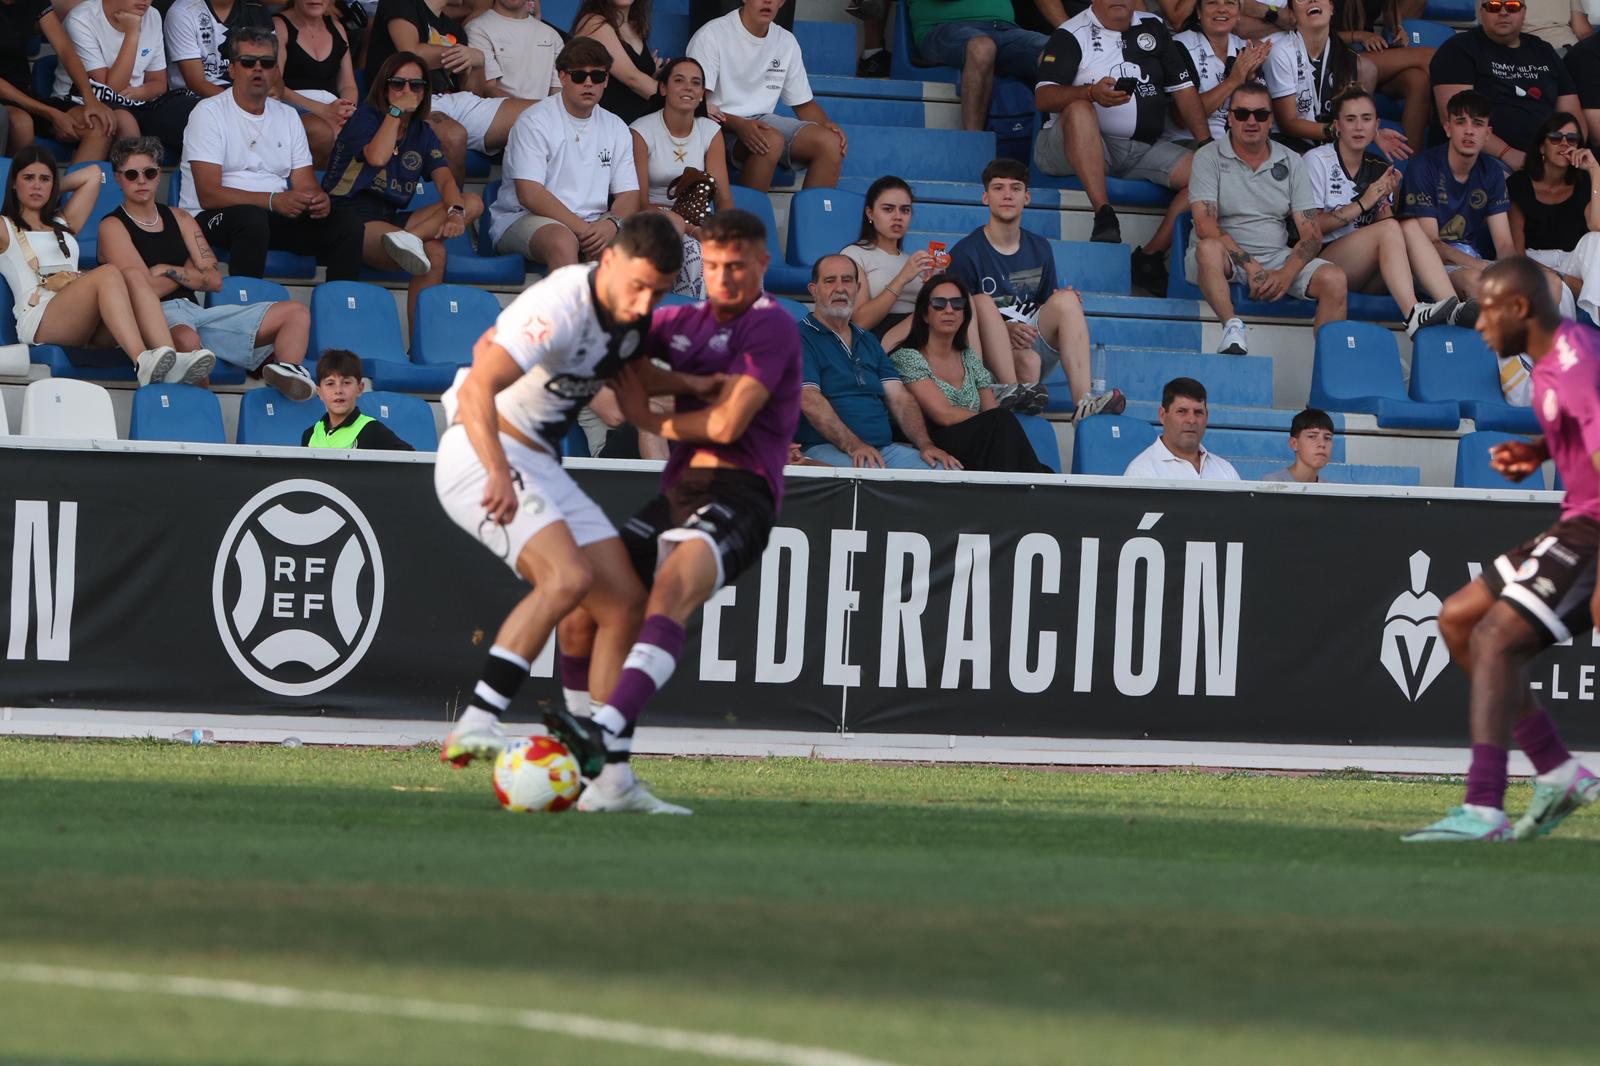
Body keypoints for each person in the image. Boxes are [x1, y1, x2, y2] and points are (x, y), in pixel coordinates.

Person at [541, 208, 804, 815]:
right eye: (711, 267)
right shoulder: (682, 319)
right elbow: (618, 346)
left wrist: (651, 414)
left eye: (737, 267)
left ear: (763, 264)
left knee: (666, 595)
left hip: (742, 495)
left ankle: (598, 735)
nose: (724, 279)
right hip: (678, 493)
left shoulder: (772, 329)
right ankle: (605, 780)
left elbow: (728, 422)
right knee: (587, 605)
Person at [433, 213, 696, 809]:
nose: (644, 301)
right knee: (569, 578)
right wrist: (498, 471)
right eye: (637, 285)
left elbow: (620, 407)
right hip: (481, 451)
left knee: (623, 603)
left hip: (540, 464)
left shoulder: (633, 322)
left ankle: (607, 781)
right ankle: (477, 720)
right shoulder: (560, 301)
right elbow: (476, 388)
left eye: (657, 290)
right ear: (608, 264)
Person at [1406, 256, 1600, 843]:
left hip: (1591, 530)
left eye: (1487, 309)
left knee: (1493, 638)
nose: (1478, 321)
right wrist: (1539, 454)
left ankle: (1484, 807)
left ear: (1520, 309)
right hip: (1575, 520)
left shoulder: (1570, 364)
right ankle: (1560, 771)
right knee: (1459, 620)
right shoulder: (1551, 356)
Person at [99, 136, 315, 399]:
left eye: (150, 172)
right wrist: (190, 270)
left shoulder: (180, 217)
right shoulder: (112, 226)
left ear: (158, 176)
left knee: (295, 312)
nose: (141, 180)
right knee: (188, 341)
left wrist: (167, 268)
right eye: (132, 174)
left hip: (196, 313)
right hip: (154, 317)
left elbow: (214, 280)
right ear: (118, 179)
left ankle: (286, 372)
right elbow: (147, 288)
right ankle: (202, 412)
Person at [1032, 0, 1209, 297]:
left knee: (1207, 173)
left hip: (1141, 149)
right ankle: (1103, 216)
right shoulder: (1071, 32)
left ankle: (1149, 257)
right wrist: (1090, 93)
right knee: (1079, 108)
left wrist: (1207, 146)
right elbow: (1044, 97)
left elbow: (1184, 89)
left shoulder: (1152, 26)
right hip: (1071, 147)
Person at [0, 145, 211, 386]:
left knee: (132, 275)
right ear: (14, 183)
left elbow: (92, 176)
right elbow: (91, 175)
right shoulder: (4, 226)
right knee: (109, 272)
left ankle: (170, 359)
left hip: (84, 320)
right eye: (28, 178)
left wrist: (53, 188)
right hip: (41, 320)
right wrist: (46, 186)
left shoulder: (62, 222)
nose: (37, 185)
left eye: (44, 179)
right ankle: (142, 360)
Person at [181, 27, 365, 282]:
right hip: (211, 218)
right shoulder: (208, 112)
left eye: (267, 63)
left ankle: (342, 306)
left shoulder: (288, 116)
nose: (258, 68)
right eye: (248, 62)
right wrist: (271, 201)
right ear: (232, 69)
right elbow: (208, 194)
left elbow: (305, 184)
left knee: (347, 223)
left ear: (276, 72)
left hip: (272, 214)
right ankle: (247, 307)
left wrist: (316, 200)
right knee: (252, 219)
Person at [949, 158, 1125, 420]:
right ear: (985, 197)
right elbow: (957, 319)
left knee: (1066, 301)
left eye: (1015, 188)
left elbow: (1044, 304)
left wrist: (1063, 301)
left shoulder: (1040, 247)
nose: (1007, 195)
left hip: (1029, 342)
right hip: (986, 355)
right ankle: (1008, 410)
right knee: (1026, 361)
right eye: (998, 188)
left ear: (1027, 198)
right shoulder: (966, 252)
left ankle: (1083, 403)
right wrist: (1002, 330)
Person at [322, 51, 484, 324]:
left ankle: (420, 346)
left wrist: (456, 212)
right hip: (349, 217)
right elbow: (377, 157)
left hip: (391, 220)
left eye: (415, 85)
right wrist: (396, 111)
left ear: (424, 92)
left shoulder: (423, 131)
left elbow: (445, 180)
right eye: (398, 84)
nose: (407, 90)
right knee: (431, 247)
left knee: (469, 205)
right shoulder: (366, 117)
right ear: (384, 88)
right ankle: (411, 239)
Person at [1187, 81, 1346, 355]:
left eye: (1260, 114)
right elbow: (1205, 225)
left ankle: (1330, 367)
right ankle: (1232, 329)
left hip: (1277, 257)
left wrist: (1286, 274)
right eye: (1242, 114)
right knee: (1208, 248)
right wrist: (1251, 267)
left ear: (1271, 119)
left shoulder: (1292, 160)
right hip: (1225, 257)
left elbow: (1311, 234)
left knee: (1334, 278)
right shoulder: (1207, 156)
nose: (1251, 121)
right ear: (1229, 117)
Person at [1304, 85, 1468, 336]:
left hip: (1367, 269)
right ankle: (1413, 313)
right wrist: (1364, 202)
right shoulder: (1317, 160)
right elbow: (1312, 228)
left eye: (1366, 119)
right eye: (1350, 119)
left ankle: (1453, 306)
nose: (1359, 127)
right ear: (1337, 126)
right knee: (1392, 228)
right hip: (1326, 262)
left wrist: (1384, 202)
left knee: (1408, 225)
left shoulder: (1380, 166)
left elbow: (1388, 229)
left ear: (1376, 125)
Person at [798, 254, 961, 470]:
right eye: (830, 281)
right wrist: (854, 446)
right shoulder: (798, 336)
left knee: (943, 471)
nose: (840, 288)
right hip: (825, 448)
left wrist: (925, 445)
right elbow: (808, 399)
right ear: (813, 290)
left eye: (847, 280)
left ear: (857, 288)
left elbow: (900, 398)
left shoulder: (868, 340)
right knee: (872, 477)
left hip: (881, 449)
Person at [491, 38, 641, 267]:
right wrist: (585, 231)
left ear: (606, 80)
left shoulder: (616, 126)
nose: (589, 83)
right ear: (563, 77)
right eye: (579, 76)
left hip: (595, 220)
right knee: (563, 241)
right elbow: (529, 194)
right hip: (523, 218)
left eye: (597, 76)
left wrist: (611, 224)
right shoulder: (534, 121)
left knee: (643, 240)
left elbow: (629, 195)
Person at [888, 273, 1052, 473]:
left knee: (1036, 463)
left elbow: (990, 410)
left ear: (964, 313)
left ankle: (1028, 485)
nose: (949, 310)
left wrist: (989, 419)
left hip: (973, 440)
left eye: (957, 304)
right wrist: (986, 419)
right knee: (1002, 422)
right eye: (939, 303)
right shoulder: (908, 357)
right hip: (934, 441)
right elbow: (943, 415)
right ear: (924, 314)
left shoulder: (969, 358)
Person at [363, 0, 535, 185]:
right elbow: (410, 53)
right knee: (454, 136)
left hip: (452, 101)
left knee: (542, 112)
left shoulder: (455, 29)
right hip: (405, 98)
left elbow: (472, 95)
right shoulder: (401, 4)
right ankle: (455, 210)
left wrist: (478, 63)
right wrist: (459, 53)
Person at [687, 0, 847, 192]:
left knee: (831, 144)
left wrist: (827, 125)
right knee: (769, 140)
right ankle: (746, 221)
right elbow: (695, 103)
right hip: (716, 123)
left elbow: (804, 104)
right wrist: (738, 124)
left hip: (763, 122)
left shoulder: (786, 41)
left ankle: (816, 220)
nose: (768, 1)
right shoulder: (712, 34)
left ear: (782, 2)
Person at [1431, 0, 1580, 170]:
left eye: (1512, 6)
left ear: (1524, 12)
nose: (1503, 12)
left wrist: (1568, 152)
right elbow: (1455, 119)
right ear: (1482, 12)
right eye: (1494, 6)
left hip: (1548, 158)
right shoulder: (1458, 49)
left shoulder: (1543, 49)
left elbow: (1572, 115)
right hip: (1487, 159)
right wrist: (1509, 154)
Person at [629, 55, 733, 298]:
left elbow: (724, 197)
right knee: (695, 254)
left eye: (696, 83)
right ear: (663, 88)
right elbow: (639, 202)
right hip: (654, 219)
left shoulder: (710, 130)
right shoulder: (640, 130)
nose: (688, 88)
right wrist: (692, 230)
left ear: (701, 94)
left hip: (698, 217)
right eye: (679, 80)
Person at [1400, 89, 1515, 301]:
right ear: (1447, 128)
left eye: (1477, 124)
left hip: (1471, 261)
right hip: (1425, 266)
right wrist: (1483, 266)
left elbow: (1505, 244)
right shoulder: (1424, 166)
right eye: (1461, 122)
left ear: (1488, 134)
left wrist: (1508, 272)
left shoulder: (1491, 170)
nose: (1469, 131)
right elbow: (1432, 244)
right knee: (1475, 281)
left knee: (1546, 284)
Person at [1264, 0, 1410, 158]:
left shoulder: (1348, 59)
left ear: (1331, 8)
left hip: (1332, 150)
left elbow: (1354, 117)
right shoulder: (1281, 54)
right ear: (1292, 15)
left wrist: (1373, 134)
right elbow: (1288, 124)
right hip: (1290, 149)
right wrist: (1338, 131)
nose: (1312, 0)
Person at [58, 0, 201, 151]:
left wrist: (142, 92)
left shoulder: (152, 15)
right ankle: (135, 172)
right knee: (125, 122)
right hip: (87, 101)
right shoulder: (81, 19)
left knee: (200, 112)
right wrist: (132, 33)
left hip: (140, 102)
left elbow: (159, 82)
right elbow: (110, 89)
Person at [0, 0, 120, 164]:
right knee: (21, 124)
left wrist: (90, 99)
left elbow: (64, 48)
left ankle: (77, 189)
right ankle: (13, 187)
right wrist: (50, 113)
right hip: (7, 98)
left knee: (99, 125)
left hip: (24, 93)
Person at [904, 0, 1050, 132]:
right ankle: (973, 141)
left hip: (1004, 28)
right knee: (981, 49)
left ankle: (1045, 149)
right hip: (942, 28)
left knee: (1056, 52)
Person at [841, 175, 931, 351]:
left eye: (905, 210)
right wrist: (902, 278)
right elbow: (860, 322)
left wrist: (934, 287)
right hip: (881, 338)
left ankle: (977, 375)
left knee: (965, 300)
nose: (898, 217)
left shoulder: (912, 261)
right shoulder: (853, 255)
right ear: (870, 213)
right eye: (888, 209)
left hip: (920, 335)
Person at [1333, 0, 1434, 154]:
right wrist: (1360, 36)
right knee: (1429, 56)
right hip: (1337, 56)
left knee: (1418, 80)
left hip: (1368, 51)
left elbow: (1388, 10)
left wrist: (1397, 28)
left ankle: (1410, 162)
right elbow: (1313, 32)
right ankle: (1453, 129)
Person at [1508, 111, 1600, 278]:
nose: (1564, 143)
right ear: (1541, 146)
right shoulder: (1520, 183)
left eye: (1572, 139)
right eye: (1556, 138)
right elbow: (1516, 253)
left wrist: (1595, 171)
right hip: (1533, 265)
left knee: (1596, 241)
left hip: (1573, 263)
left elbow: (1597, 226)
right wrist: (1560, 278)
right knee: (1562, 294)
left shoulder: (1584, 184)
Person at [1166, 0, 1271, 146]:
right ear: (1198, 11)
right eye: (1212, 2)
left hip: (1237, 142)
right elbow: (1181, 119)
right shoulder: (1179, 46)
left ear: (1239, 13)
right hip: (1188, 142)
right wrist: (1234, 80)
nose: (1222, 9)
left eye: (1230, 3)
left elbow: (1261, 115)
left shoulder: (1245, 48)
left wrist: (1250, 78)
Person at [273, 0, 360, 166]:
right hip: (293, 108)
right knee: (322, 132)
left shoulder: (337, 28)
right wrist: (323, 110)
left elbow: (347, 85)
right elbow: (275, 85)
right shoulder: (279, 25)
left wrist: (346, 109)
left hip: (333, 108)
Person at [1122, 377, 1241, 480]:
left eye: (1198, 412)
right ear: (1162, 415)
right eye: (1182, 411)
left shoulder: (1226, 471)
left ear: (1207, 417)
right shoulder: (1141, 472)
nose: (1191, 420)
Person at [301, 348, 415, 449]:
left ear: (360, 389)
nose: (338, 390)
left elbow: (412, 461)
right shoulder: (310, 435)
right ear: (320, 392)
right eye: (330, 384)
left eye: (346, 382)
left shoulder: (373, 430)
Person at [574, 0, 659, 126]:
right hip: (607, 130)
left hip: (640, 128)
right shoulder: (594, 22)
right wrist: (677, 98)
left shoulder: (636, 25)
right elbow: (632, 78)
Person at [165, 0, 272, 98]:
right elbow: (197, 84)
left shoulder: (257, 8)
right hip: (197, 99)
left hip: (249, 96)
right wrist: (243, 104)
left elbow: (272, 72)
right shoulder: (183, 11)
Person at [467, 0, 562, 101]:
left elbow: (558, 91)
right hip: (500, 114)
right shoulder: (477, 29)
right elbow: (487, 90)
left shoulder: (552, 36)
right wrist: (537, 113)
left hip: (543, 114)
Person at [1261, 406, 1333, 482]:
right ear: (1294, 443)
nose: (1322, 444)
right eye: (1312, 436)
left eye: (1327, 438)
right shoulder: (1273, 483)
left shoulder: (1332, 490)